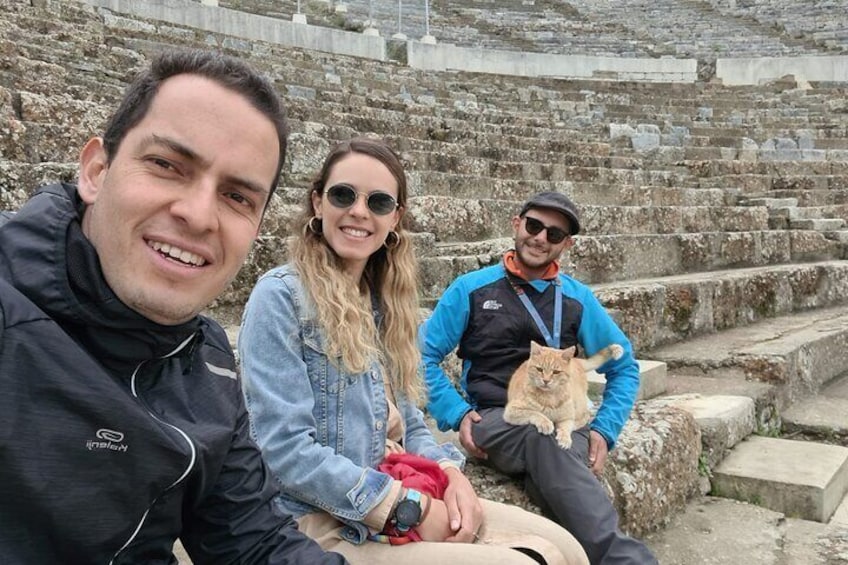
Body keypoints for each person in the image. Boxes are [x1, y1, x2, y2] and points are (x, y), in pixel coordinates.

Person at [0, 49, 345, 564]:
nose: (198, 214)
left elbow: (253, 541)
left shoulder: (207, 360)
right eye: (166, 165)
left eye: (237, 197)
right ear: (95, 170)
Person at [237, 138, 589, 565]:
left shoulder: (384, 305)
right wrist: (405, 507)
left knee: (568, 549)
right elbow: (284, 452)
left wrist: (451, 474)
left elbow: (412, 425)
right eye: (343, 195)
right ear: (317, 203)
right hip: (321, 517)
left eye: (379, 201)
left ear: (395, 218)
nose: (360, 211)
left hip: (400, 482)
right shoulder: (280, 297)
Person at [420, 191, 659, 565]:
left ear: (567, 244)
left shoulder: (578, 299)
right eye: (534, 226)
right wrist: (457, 412)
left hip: (564, 416)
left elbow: (624, 366)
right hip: (498, 418)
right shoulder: (470, 289)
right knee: (545, 438)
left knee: (550, 449)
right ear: (517, 224)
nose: (540, 238)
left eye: (554, 234)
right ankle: (624, 559)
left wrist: (604, 429)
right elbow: (421, 356)